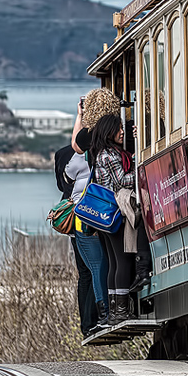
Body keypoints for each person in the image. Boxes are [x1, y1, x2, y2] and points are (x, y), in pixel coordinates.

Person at [90, 113, 137, 324]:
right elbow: (121, 182)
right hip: (116, 211)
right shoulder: (110, 155)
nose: (121, 132)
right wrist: (141, 167)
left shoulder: (100, 153)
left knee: (113, 263)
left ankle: (113, 312)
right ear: (109, 131)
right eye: (118, 128)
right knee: (123, 261)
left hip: (104, 215)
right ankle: (121, 311)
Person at [69, 97, 110, 333]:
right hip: (108, 208)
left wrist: (80, 116)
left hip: (87, 213)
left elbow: (76, 143)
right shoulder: (113, 135)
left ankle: (96, 317)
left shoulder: (88, 139)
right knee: (103, 263)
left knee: (92, 269)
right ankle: (104, 311)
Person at [54, 143, 98, 337]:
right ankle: (94, 319)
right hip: (89, 219)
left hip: (73, 222)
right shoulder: (94, 154)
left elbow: (61, 185)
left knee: (84, 274)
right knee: (95, 269)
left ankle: (86, 324)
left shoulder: (62, 154)